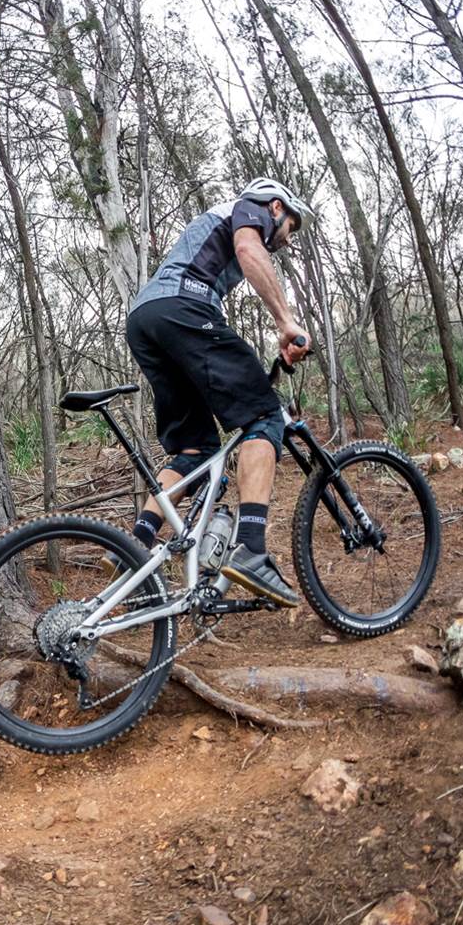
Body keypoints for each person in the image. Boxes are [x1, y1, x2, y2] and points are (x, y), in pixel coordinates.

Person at [123, 177, 313, 606]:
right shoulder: (251, 207)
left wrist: (275, 360)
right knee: (263, 420)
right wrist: (286, 320)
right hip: (183, 307)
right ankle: (250, 549)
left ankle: (135, 546)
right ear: (278, 208)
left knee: (196, 449)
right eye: (290, 229)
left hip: (147, 318)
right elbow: (249, 250)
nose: (285, 239)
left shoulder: (218, 223)